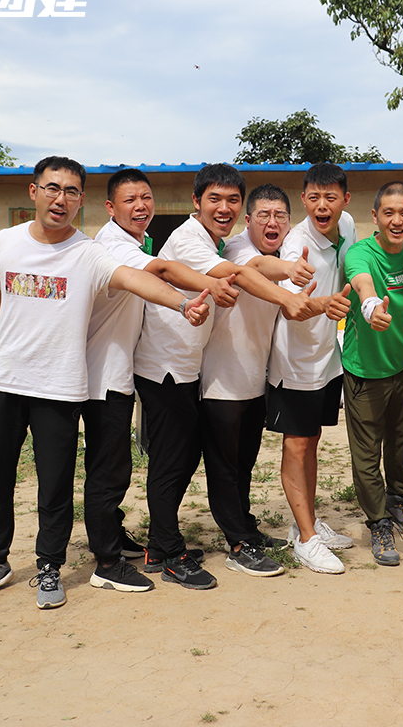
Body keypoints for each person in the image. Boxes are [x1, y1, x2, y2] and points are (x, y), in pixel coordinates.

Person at [0, 156, 210, 610]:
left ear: (82, 200)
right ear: (33, 191)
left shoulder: (88, 251)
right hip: (7, 381)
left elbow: (137, 277)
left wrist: (181, 303)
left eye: (72, 191)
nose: (61, 199)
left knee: (54, 485)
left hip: (59, 387)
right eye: (53, 188)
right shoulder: (4, 243)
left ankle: (49, 567)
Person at [132, 164, 316, 591]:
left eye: (232, 199)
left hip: (188, 368)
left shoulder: (213, 241)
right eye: (215, 199)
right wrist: (288, 289)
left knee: (203, 463)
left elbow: (250, 271)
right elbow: (242, 273)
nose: (225, 207)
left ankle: (172, 544)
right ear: (197, 202)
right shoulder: (191, 240)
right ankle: (190, 550)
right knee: (174, 464)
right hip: (165, 370)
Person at [82, 168, 239, 594]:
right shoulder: (115, 245)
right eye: (130, 200)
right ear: (111, 208)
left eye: (146, 198)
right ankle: (161, 553)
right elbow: (165, 271)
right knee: (153, 461)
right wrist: (203, 291)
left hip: (154, 367)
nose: (141, 206)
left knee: (161, 457)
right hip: (142, 369)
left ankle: (142, 542)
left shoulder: (137, 241)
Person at [198, 183, 315, 577]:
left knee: (245, 462)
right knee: (225, 467)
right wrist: (288, 270)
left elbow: (287, 307)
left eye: (280, 216)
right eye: (263, 215)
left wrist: (321, 304)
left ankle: (245, 526)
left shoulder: (278, 256)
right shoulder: (237, 251)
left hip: (254, 383)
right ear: (247, 221)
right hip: (220, 382)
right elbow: (253, 271)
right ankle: (236, 544)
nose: (272, 222)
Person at [267, 163, 357, 574]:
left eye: (331, 197)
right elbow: (291, 309)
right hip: (295, 364)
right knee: (296, 445)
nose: (323, 206)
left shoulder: (349, 226)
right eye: (314, 197)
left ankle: (306, 523)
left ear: (345, 200)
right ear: (303, 199)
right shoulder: (295, 247)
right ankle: (306, 540)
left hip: (328, 359)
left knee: (314, 440)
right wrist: (319, 303)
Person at [341, 181, 403, 566]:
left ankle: (399, 499)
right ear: (374, 216)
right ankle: (377, 521)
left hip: (401, 364)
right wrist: (372, 305)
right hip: (365, 369)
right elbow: (362, 284)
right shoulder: (360, 253)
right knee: (366, 455)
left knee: (398, 443)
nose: (397, 220)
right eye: (388, 213)